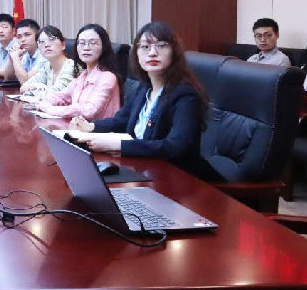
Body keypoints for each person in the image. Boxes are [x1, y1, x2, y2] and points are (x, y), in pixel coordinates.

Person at [70, 22, 209, 176]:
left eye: (161, 46)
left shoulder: (185, 95)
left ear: (174, 52)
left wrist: (119, 145)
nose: (152, 53)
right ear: (136, 54)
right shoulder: (144, 89)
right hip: (144, 168)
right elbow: (122, 121)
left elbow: (175, 147)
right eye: (145, 47)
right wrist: (91, 127)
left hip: (179, 177)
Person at [35, 23, 120, 120]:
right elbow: (61, 96)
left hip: (97, 128)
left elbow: (89, 111)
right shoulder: (83, 76)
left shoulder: (108, 77)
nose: (86, 48)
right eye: (82, 43)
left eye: (92, 43)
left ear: (104, 47)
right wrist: (46, 102)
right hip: (76, 126)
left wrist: (50, 109)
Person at [20, 25, 78, 99]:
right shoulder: (48, 66)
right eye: (42, 42)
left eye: (52, 39)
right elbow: (23, 88)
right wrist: (36, 85)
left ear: (63, 45)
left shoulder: (71, 66)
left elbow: (56, 94)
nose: (47, 45)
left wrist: (32, 92)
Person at [5, 18, 45, 82]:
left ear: (38, 36)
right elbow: (9, 79)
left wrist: (15, 57)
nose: (22, 39)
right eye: (19, 37)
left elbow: (25, 81)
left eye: (27, 35)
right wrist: (11, 58)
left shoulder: (44, 55)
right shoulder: (26, 55)